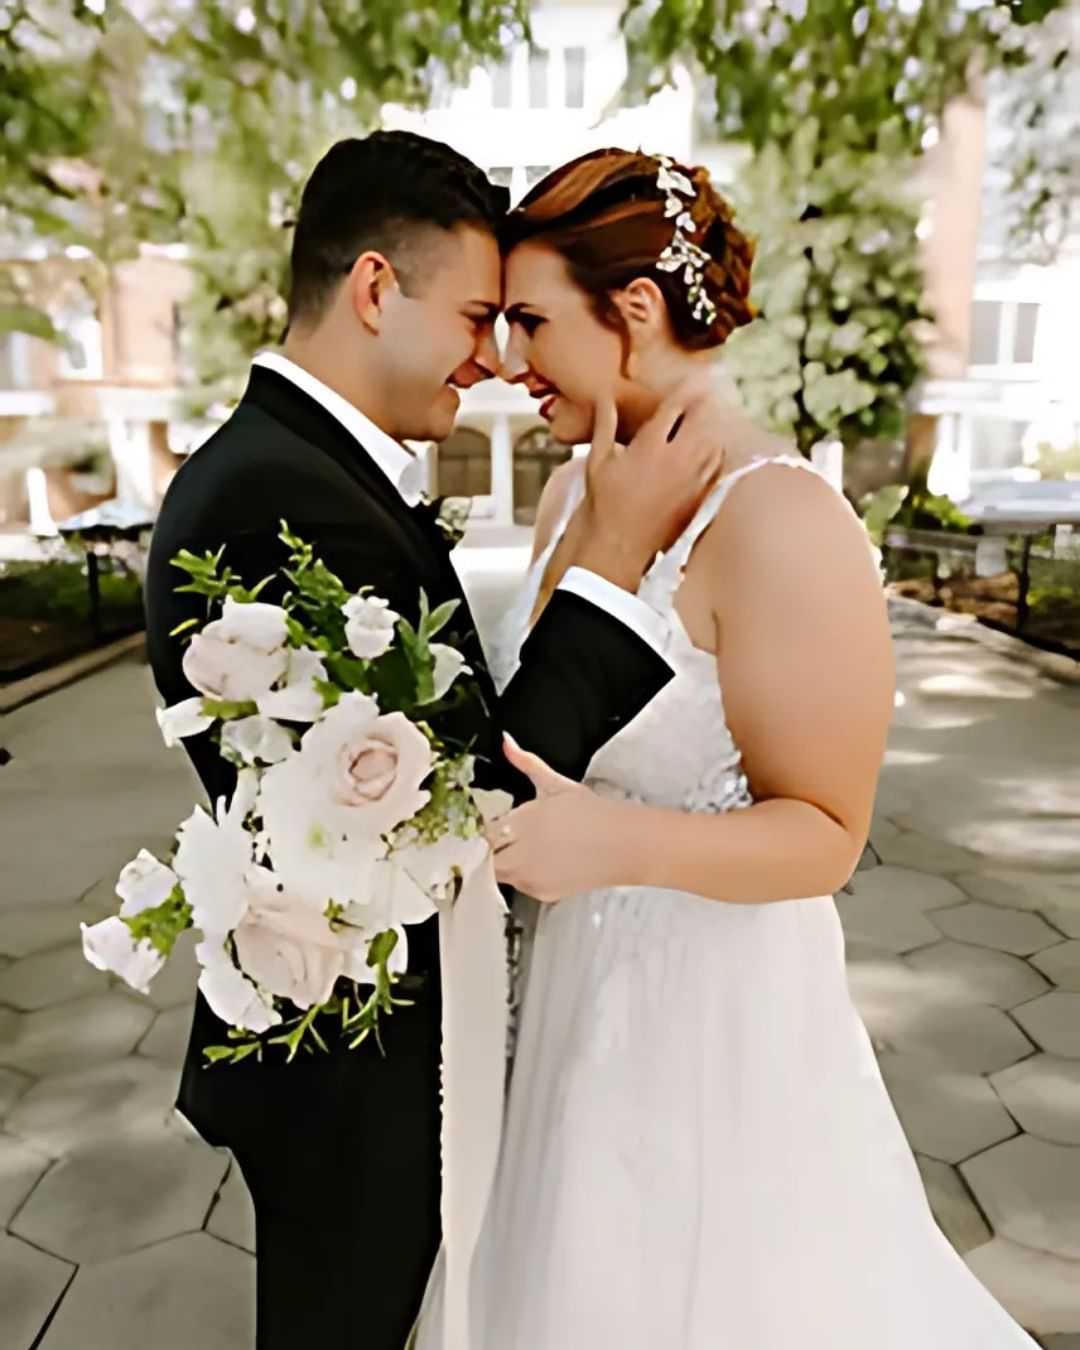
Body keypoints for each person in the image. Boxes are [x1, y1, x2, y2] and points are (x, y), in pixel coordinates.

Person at [414, 148, 1041, 1349]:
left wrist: (610, 842)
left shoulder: (784, 519)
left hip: (710, 1025)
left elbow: (826, 836)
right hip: (566, 1000)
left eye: (532, 321)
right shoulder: (573, 495)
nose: (502, 360)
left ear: (635, 312)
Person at [144, 132, 726, 1350]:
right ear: (371, 288)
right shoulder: (271, 496)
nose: (493, 356)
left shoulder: (308, 472)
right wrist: (614, 562)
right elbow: (455, 803)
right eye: (472, 314)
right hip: (350, 1069)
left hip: (368, 1047)